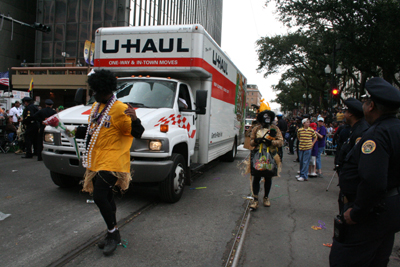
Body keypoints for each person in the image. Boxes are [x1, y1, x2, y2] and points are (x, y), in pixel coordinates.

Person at [329, 77, 400, 266]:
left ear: (371, 106)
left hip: (370, 215)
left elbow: (373, 181)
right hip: (388, 210)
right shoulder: (395, 129)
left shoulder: (376, 135)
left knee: (345, 260)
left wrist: (356, 213)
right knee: (377, 260)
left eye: (365, 101)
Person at [81, 69, 144, 256]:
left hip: (113, 161)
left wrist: (135, 118)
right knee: (106, 197)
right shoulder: (96, 107)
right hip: (97, 160)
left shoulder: (118, 108)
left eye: (95, 91)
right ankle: (113, 234)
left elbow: (137, 133)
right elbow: (92, 131)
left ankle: (112, 233)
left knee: (99, 196)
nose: (93, 94)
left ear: (105, 90)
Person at [249, 108, 283, 210]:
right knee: (257, 177)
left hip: (271, 156)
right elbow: (250, 142)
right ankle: (255, 200)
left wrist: (271, 142)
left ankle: (266, 198)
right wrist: (256, 141)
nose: (267, 120)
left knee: (268, 177)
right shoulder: (256, 129)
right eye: (265, 118)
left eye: (269, 118)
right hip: (257, 156)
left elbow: (281, 141)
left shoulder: (275, 129)